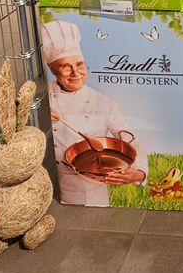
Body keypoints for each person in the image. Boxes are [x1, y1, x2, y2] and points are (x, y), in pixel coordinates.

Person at [41, 18, 147, 206]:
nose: (76, 73)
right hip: (45, 183)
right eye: (66, 67)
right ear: (52, 69)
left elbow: (130, 139)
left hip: (89, 191)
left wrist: (138, 174)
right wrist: (39, 117)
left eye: (80, 64)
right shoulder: (40, 96)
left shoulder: (104, 103)